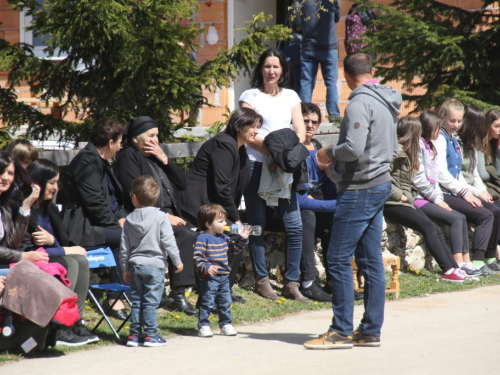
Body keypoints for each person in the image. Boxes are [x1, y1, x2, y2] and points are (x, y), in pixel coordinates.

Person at [304, 52, 401, 349]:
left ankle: (341, 330)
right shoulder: (388, 102)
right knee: (371, 261)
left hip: (360, 189)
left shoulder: (359, 102)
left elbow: (353, 148)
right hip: (380, 184)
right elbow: (392, 149)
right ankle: (370, 330)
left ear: (346, 76)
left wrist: (328, 153)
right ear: (372, 71)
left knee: (337, 257)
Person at [239, 49, 307, 302]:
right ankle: (262, 280)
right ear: (260, 69)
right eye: (267, 66)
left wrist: (282, 160)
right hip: (257, 166)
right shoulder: (250, 96)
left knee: (295, 227)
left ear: (282, 70)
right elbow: (248, 132)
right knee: (257, 225)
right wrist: (274, 156)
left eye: (275, 67)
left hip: (285, 168)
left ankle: (291, 283)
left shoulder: (291, 96)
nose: (271, 71)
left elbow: (299, 131)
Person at [114, 116, 197, 316]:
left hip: (166, 215)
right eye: (151, 136)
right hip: (144, 216)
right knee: (184, 235)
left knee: (198, 232)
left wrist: (165, 159)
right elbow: (136, 194)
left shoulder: (156, 155)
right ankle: (179, 295)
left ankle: (176, 293)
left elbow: (183, 183)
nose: (155, 140)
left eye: (157, 135)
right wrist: (163, 216)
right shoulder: (128, 157)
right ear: (135, 139)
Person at [180, 108, 261, 303]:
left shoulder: (240, 148)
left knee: (238, 234)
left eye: (258, 127)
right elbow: (222, 188)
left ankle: (222, 290)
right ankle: (214, 292)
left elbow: (234, 189)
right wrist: (236, 219)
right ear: (239, 126)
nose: (256, 131)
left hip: (212, 209)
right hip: (196, 208)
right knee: (234, 234)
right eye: (253, 126)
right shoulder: (224, 144)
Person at [16, 158, 98, 345]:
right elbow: (31, 248)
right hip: (31, 260)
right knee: (70, 262)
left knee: (81, 261)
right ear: (38, 182)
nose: (55, 188)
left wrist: (53, 241)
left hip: (49, 256)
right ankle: (60, 324)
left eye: (57, 183)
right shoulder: (27, 209)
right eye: (51, 183)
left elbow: (61, 240)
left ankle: (76, 320)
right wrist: (65, 249)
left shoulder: (50, 209)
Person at [384, 117, 472, 282]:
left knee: (434, 228)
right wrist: (401, 196)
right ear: (412, 133)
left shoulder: (407, 151)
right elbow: (382, 180)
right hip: (392, 203)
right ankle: (448, 270)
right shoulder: (394, 151)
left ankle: (453, 267)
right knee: (428, 227)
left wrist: (406, 198)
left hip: (404, 202)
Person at [59, 118, 129, 320]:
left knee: (128, 236)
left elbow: (116, 198)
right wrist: (116, 226)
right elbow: (96, 204)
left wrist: (122, 219)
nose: (120, 146)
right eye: (119, 142)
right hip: (82, 229)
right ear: (110, 143)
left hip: (98, 224)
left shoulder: (100, 161)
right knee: (126, 238)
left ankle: (119, 296)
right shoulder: (86, 162)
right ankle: (116, 298)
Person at [434, 100, 499, 275]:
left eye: (459, 121)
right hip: (442, 192)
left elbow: (461, 173)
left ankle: (479, 260)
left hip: (455, 190)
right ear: (442, 117)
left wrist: (473, 191)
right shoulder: (440, 139)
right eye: (452, 121)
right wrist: (465, 192)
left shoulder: (453, 140)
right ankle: (476, 262)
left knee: (491, 210)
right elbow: (441, 173)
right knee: (484, 215)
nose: (456, 125)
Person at [120, 176, 183, 347]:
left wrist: (125, 268)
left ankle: (134, 335)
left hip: (135, 266)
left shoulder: (129, 220)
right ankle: (150, 335)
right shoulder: (161, 217)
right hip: (154, 266)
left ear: (134, 197)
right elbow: (168, 241)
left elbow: (125, 248)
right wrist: (177, 261)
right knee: (150, 302)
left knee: (137, 301)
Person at [414, 111, 479, 275]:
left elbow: (433, 178)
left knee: (461, 217)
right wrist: (438, 200)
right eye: (437, 128)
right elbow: (419, 179)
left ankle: (466, 261)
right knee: (455, 218)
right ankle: (458, 264)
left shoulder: (430, 146)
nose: (439, 132)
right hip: (420, 198)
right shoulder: (418, 147)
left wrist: (439, 197)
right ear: (429, 129)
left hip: (432, 197)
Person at [194, 204, 250, 338]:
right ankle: (203, 325)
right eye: (221, 221)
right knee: (207, 301)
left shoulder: (224, 237)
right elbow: (198, 257)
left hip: (224, 276)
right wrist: (207, 267)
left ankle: (225, 324)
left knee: (225, 301)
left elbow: (234, 250)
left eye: (225, 220)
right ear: (208, 224)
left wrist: (243, 238)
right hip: (209, 277)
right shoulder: (202, 238)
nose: (225, 223)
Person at [0, 151, 45, 273]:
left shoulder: (5, 207)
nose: (5, 177)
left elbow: (12, 245)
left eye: (10, 173)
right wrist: (22, 256)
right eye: (1, 171)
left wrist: (26, 206)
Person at [299, 0, 341, 122]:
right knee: (331, 83)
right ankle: (334, 116)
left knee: (306, 82)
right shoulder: (331, 2)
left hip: (308, 47)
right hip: (329, 47)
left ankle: (304, 115)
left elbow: (299, 22)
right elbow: (337, 18)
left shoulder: (304, 2)